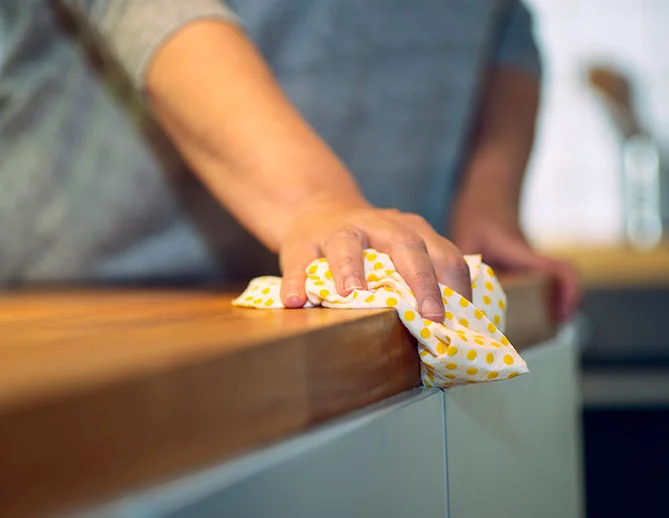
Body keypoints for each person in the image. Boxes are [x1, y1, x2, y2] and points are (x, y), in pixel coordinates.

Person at [0, 0, 579, 322]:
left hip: (382, 313)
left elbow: (505, 26)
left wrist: (485, 201)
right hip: (98, 310)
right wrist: (317, 201)